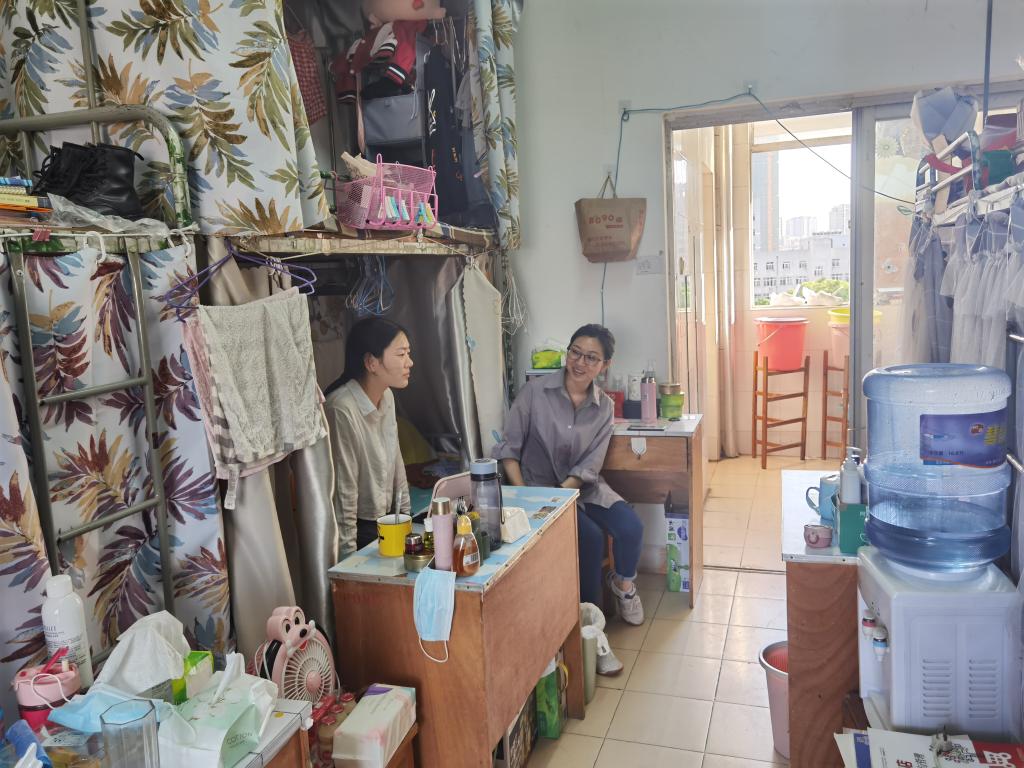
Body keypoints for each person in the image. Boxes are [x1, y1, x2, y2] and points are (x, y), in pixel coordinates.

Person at [493, 324, 644, 673]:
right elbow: (509, 450)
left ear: (605, 365)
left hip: (582, 487)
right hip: (536, 489)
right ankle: (589, 635)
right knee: (588, 538)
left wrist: (564, 495)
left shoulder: (603, 407)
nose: (579, 362)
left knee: (631, 527)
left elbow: (590, 464)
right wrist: (528, 495)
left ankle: (622, 586)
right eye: (575, 352)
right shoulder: (534, 392)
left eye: (591, 358)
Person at [326, 317, 413, 557]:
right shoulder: (342, 408)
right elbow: (344, 491)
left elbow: (397, 462)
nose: (409, 362)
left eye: (408, 353)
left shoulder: (387, 397)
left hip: (388, 518)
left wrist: (408, 519)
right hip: (359, 528)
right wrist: (348, 559)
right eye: (401, 354)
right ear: (371, 362)